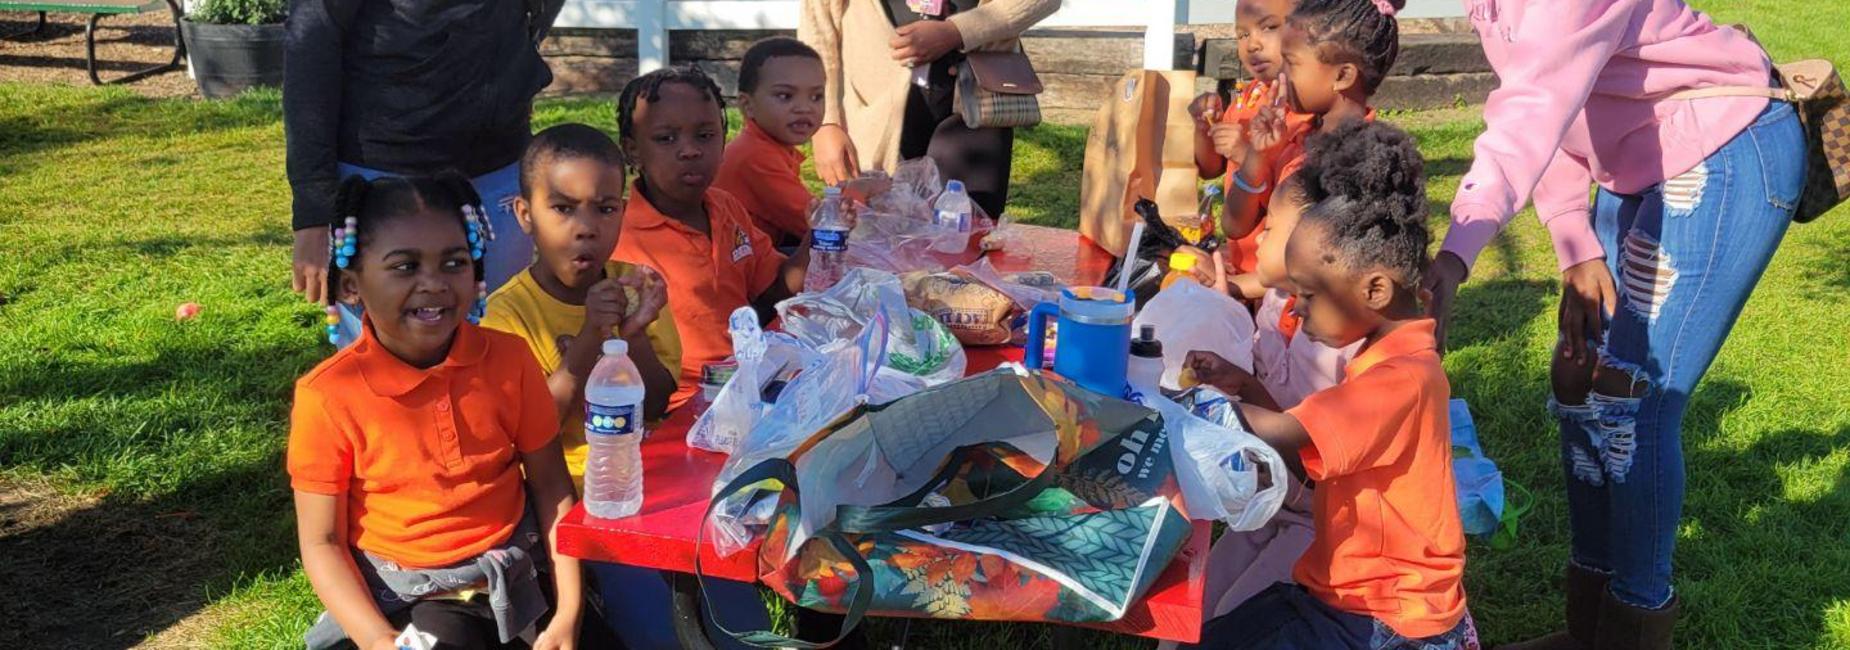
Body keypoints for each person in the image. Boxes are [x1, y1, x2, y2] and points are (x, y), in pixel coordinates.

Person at [1415, 1, 1808, 646]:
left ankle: (1634, 622)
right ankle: (1589, 626)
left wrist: (1456, 257)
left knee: (1634, 402)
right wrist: (1576, 239)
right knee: (1580, 386)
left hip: (1720, 145)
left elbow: (1534, 109)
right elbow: (1557, 100)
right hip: (1635, 165)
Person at [1182, 122, 1478, 650]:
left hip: (1386, 616)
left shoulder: (1402, 378)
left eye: (1309, 294)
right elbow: (1308, 454)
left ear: (1375, 289)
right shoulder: (1386, 355)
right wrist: (1244, 384)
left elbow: (1287, 430)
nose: (1294, 306)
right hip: (1342, 584)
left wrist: (1185, 408)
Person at [484, 124, 771, 650]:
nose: (586, 228)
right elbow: (534, 428)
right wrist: (593, 334)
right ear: (525, 214)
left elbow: (659, 398)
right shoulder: (508, 314)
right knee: (655, 626)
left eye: (605, 208)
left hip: (657, 474)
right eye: (564, 209)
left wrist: (633, 334)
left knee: (738, 619)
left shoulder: (636, 283)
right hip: (578, 494)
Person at [288, 173, 582, 650]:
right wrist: (378, 639)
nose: (434, 284)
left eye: (454, 263)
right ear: (350, 284)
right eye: (405, 266)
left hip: (516, 571)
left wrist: (569, 613)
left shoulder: (510, 360)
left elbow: (552, 487)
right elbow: (321, 542)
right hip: (406, 593)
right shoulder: (327, 395)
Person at [284, 0, 560, 333]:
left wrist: (518, 62)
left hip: (498, 172)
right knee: (385, 363)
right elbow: (311, 41)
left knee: (496, 348)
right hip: (382, 177)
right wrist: (314, 211)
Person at [611, 66, 810, 411]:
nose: (689, 151)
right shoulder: (619, 238)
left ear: (724, 137)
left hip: (751, 382)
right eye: (666, 138)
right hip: (680, 406)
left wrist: (820, 234)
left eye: (705, 135)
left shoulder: (726, 208)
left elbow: (775, 289)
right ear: (632, 150)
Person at [799, 0, 1058, 218]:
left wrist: (956, 32)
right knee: (876, 243)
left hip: (974, 107)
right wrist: (826, 122)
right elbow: (818, 26)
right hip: (874, 114)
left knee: (964, 239)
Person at [1215, 0, 1398, 284]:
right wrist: (1256, 157)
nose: (1282, 74)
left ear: (1342, 75)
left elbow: (1307, 274)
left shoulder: (1359, 164)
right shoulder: (1294, 138)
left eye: (1292, 63)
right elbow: (1234, 226)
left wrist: (1228, 287)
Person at [1186, 0, 1314, 277]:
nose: (1252, 44)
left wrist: (1247, 155)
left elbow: (1292, 204)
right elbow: (1212, 168)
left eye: (1268, 27)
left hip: (1276, 277)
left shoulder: (1304, 112)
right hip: (1241, 266)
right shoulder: (1251, 95)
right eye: (1242, 34)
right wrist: (1203, 128)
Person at [715, 37, 827, 246]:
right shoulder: (755, 156)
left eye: (816, 96)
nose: (804, 107)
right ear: (748, 105)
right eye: (785, 96)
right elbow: (821, 226)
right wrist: (857, 194)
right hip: (739, 269)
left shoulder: (769, 147)